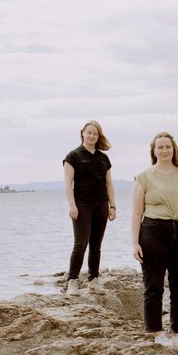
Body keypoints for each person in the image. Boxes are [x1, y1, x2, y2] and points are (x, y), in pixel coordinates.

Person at [131, 132, 178, 352]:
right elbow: (136, 213)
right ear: (154, 151)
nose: (164, 150)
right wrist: (135, 242)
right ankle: (155, 331)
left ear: (174, 150)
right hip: (153, 232)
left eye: (168, 147)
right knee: (153, 286)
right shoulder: (144, 177)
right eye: (160, 147)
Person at [63, 120, 116, 295]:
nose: (92, 136)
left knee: (96, 245)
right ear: (82, 133)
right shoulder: (73, 156)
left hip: (101, 204)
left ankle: (94, 280)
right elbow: (68, 183)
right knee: (80, 244)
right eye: (89, 132)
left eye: (95, 133)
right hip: (82, 205)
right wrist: (72, 205)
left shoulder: (103, 158)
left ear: (98, 136)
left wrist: (112, 206)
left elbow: (109, 184)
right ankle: (73, 281)